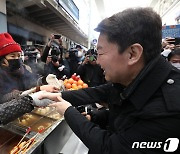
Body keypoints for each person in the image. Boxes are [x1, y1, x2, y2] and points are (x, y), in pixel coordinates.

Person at [41, 7, 180, 154]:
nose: (98, 61)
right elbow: (111, 102)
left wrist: (68, 111)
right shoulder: (137, 79)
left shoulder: (169, 111)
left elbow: (111, 148)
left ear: (132, 54)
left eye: (100, 52)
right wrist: (60, 97)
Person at [0, 32, 59, 100]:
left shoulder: (22, 70)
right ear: (2, 59)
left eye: (19, 55)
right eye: (12, 56)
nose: (17, 58)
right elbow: (4, 99)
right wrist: (36, 90)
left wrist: (45, 80)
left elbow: (33, 80)